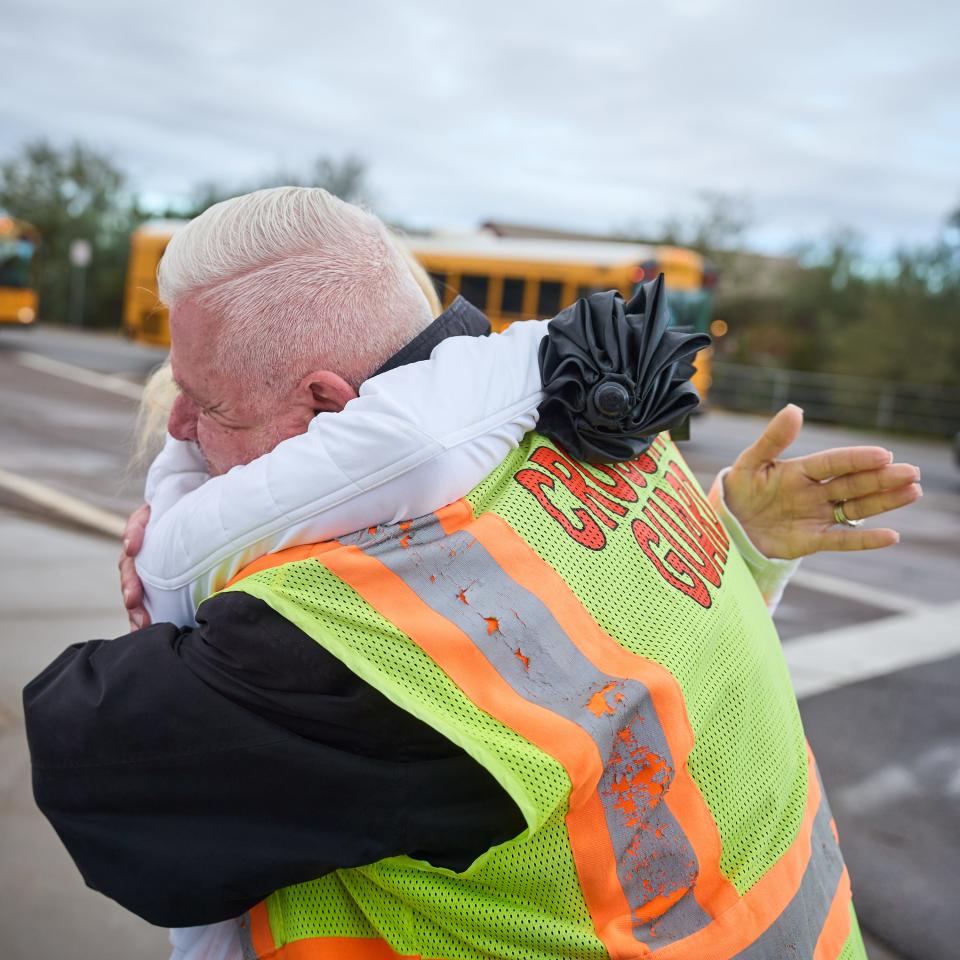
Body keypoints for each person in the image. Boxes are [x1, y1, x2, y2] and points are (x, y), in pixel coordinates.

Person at [25, 188, 921, 960]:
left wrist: (177, 557)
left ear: (329, 406)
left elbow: (94, 767)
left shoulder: (343, 633)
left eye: (205, 404)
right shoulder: (603, 437)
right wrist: (738, 545)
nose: (178, 427)